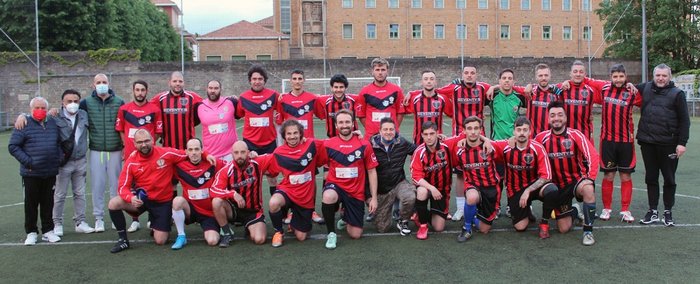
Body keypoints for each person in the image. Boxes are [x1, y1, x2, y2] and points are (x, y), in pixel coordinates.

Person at [107, 130, 214, 253]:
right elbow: (122, 187)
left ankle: (158, 223)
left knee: (161, 241)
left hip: (162, 202)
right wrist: (131, 198)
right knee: (114, 203)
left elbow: (189, 153)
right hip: (142, 200)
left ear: (153, 140)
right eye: (140, 142)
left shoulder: (166, 153)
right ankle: (123, 241)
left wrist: (206, 154)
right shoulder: (131, 161)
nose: (144, 144)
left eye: (147, 141)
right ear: (134, 144)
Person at [534, 101, 599, 245]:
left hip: (575, 182)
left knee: (588, 188)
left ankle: (588, 232)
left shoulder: (576, 135)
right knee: (564, 228)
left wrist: (590, 178)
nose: (556, 118)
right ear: (548, 118)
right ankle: (575, 210)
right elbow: (530, 152)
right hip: (556, 188)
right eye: (552, 115)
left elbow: (592, 156)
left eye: (559, 115)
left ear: (565, 117)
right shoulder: (541, 138)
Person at [586, 64, 642, 222]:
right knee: (609, 175)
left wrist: (636, 86)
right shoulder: (604, 89)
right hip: (608, 142)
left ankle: (625, 210)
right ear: (611, 77)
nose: (618, 80)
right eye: (615, 77)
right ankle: (607, 209)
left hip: (626, 142)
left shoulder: (632, 92)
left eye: (621, 77)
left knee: (625, 176)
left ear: (626, 77)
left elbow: (647, 96)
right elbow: (585, 80)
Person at [636, 64, 691, 226]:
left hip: (669, 144)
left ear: (669, 76)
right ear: (653, 76)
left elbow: (684, 121)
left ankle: (668, 211)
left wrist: (682, 143)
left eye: (664, 76)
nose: (660, 78)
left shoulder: (677, 94)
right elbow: (623, 85)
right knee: (651, 178)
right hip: (647, 142)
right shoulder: (645, 88)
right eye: (658, 75)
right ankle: (653, 211)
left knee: (669, 178)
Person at [435, 66, 491, 221]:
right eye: (466, 73)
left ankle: (482, 207)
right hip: (459, 138)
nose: (469, 75)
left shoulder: (483, 87)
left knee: (482, 171)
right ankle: (460, 208)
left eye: (472, 73)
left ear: (476, 75)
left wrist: (496, 87)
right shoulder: (454, 88)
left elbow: (497, 88)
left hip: (480, 138)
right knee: (460, 173)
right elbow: (436, 90)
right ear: (462, 75)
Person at [320, 109, 379, 249]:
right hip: (336, 186)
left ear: (353, 123)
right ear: (335, 125)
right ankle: (331, 234)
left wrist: (374, 197)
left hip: (356, 192)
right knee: (328, 196)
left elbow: (371, 171)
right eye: (341, 122)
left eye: (347, 122)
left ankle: (345, 217)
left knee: (355, 234)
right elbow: (324, 166)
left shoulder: (364, 144)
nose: (344, 125)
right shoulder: (328, 144)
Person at [491, 117, 558, 238]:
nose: (522, 133)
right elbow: (487, 144)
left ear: (530, 132)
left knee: (551, 190)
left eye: (525, 130)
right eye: (519, 129)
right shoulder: (505, 147)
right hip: (515, 190)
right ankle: (526, 211)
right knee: (520, 227)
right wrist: (478, 139)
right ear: (514, 131)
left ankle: (544, 223)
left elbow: (546, 176)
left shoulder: (537, 148)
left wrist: (528, 190)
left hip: (534, 187)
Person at [9, 97, 63, 245]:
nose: (40, 111)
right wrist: (29, 162)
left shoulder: (52, 122)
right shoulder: (23, 123)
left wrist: (58, 158)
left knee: (48, 203)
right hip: (31, 173)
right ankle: (31, 232)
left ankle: (48, 231)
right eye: (37, 108)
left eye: (43, 108)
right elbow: (13, 146)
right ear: (31, 109)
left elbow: (58, 142)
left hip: (50, 171)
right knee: (31, 203)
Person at [266, 119, 327, 248]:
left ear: (301, 134)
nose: (292, 136)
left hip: (305, 197)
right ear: (284, 136)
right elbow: (270, 170)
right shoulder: (278, 152)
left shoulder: (312, 145)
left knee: (302, 237)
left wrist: (356, 136)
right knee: (273, 203)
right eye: (289, 134)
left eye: (295, 133)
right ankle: (278, 232)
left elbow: (331, 145)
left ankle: (293, 221)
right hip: (288, 190)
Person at [115, 80, 163, 232]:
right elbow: (121, 129)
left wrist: (149, 146)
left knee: (151, 186)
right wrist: (126, 146)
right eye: (137, 90)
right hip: (131, 156)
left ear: (146, 91)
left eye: (143, 90)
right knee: (132, 188)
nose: (140, 93)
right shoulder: (124, 109)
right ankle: (134, 219)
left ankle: (151, 218)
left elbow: (156, 131)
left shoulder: (154, 109)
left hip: (149, 156)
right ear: (133, 91)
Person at [83, 73, 125, 232]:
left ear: (109, 83)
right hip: (96, 150)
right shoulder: (86, 102)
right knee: (98, 185)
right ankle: (98, 218)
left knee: (116, 185)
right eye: (98, 82)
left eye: (104, 82)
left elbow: (125, 122)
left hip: (115, 150)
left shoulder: (119, 101)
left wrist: (124, 146)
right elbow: (67, 111)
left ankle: (116, 216)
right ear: (93, 85)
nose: (101, 84)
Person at [210, 141, 272, 247]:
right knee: (216, 202)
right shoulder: (226, 170)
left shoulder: (258, 163)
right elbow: (213, 190)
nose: (239, 156)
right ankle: (227, 233)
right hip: (233, 210)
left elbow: (278, 156)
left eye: (243, 152)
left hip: (253, 211)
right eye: (236, 152)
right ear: (232, 154)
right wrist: (232, 194)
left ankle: (249, 228)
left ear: (248, 152)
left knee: (259, 239)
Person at [451, 116, 500, 242]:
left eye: (476, 128)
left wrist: (486, 140)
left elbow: (509, 146)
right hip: (473, 185)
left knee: (484, 230)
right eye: (469, 128)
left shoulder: (490, 147)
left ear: (481, 130)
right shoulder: (459, 150)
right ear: (464, 131)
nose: (473, 132)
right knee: (471, 197)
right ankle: (467, 227)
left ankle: (473, 216)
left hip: (490, 189)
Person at [52, 90, 95, 236]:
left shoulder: (83, 115)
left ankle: (80, 222)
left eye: (76, 101)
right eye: (69, 101)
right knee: (60, 194)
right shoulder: (54, 116)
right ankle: (57, 223)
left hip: (80, 159)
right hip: (63, 162)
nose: (73, 104)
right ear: (62, 103)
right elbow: (36, 119)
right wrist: (22, 116)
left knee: (80, 193)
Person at [170, 138, 225, 249]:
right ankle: (181, 236)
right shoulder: (179, 166)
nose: (194, 152)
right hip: (190, 210)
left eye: (196, 149)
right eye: (190, 149)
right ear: (186, 152)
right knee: (177, 202)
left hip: (208, 213)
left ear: (202, 150)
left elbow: (231, 167)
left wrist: (252, 156)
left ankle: (219, 226)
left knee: (213, 241)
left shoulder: (213, 162)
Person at [236, 64, 280, 196]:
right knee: (250, 177)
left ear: (264, 80)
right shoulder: (243, 97)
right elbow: (238, 114)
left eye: (260, 79)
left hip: (269, 142)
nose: (257, 81)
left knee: (272, 177)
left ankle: (277, 210)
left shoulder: (274, 95)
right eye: (254, 79)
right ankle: (253, 210)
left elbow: (283, 107)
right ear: (250, 80)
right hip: (250, 143)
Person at [370, 117, 417, 235]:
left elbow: (420, 150)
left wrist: (439, 141)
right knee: (382, 228)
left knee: (410, 196)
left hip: (398, 182)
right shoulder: (370, 145)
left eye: (391, 129)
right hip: (381, 188)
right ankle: (391, 208)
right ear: (380, 131)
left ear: (395, 130)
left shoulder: (402, 142)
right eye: (385, 129)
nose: (388, 132)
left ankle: (403, 220)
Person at [410, 121, 453, 240]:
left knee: (438, 227)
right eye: (426, 134)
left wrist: (484, 140)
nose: (429, 137)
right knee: (422, 191)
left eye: (432, 133)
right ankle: (423, 226)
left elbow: (466, 135)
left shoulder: (447, 146)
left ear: (437, 133)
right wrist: (431, 188)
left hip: (442, 190)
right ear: (422, 135)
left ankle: (419, 213)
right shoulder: (419, 152)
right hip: (428, 188)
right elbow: (416, 176)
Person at [150, 71, 202, 150]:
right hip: (167, 148)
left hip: (188, 148)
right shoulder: (160, 99)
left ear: (184, 83)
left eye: (180, 81)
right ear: (169, 83)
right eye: (174, 81)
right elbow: (147, 108)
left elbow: (207, 106)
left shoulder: (192, 97)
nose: (178, 83)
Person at [357, 57, 405, 138]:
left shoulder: (397, 90)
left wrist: (392, 128)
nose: (380, 73)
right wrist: (371, 128)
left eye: (383, 70)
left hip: (391, 136)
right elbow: (361, 115)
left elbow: (400, 113)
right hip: (371, 136)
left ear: (387, 72)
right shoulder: (364, 91)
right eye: (377, 70)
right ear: (372, 72)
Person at [276, 69, 326, 139]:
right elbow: (279, 123)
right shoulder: (282, 100)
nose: (297, 81)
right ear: (290, 81)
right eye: (294, 79)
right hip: (291, 141)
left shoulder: (313, 98)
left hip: (308, 142)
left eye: (300, 79)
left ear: (303, 80)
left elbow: (323, 116)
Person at [406, 70, 450, 145]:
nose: (429, 81)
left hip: (437, 142)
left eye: (431, 79)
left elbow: (453, 114)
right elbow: (399, 112)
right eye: (426, 79)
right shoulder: (414, 99)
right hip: (418, 142)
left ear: (436, 82)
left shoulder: (443, 99)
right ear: (422, 82)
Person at [197, 79, 238, 162]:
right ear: (206, 89)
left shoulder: (231, 102)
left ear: (220, 89)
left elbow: (245, 113)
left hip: (230, 154)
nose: (213, 91)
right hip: (211, 155)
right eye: (210, 88)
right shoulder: (199, 106)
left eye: (216, 88)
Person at [319, 74, 359, 138]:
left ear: (345, 88)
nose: (338, 90)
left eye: (341, 87)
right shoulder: (324, 101)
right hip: (333, 139)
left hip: (352, 138)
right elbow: (320, 115)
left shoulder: (354, 100)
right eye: (336, 87)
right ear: (331, 88)